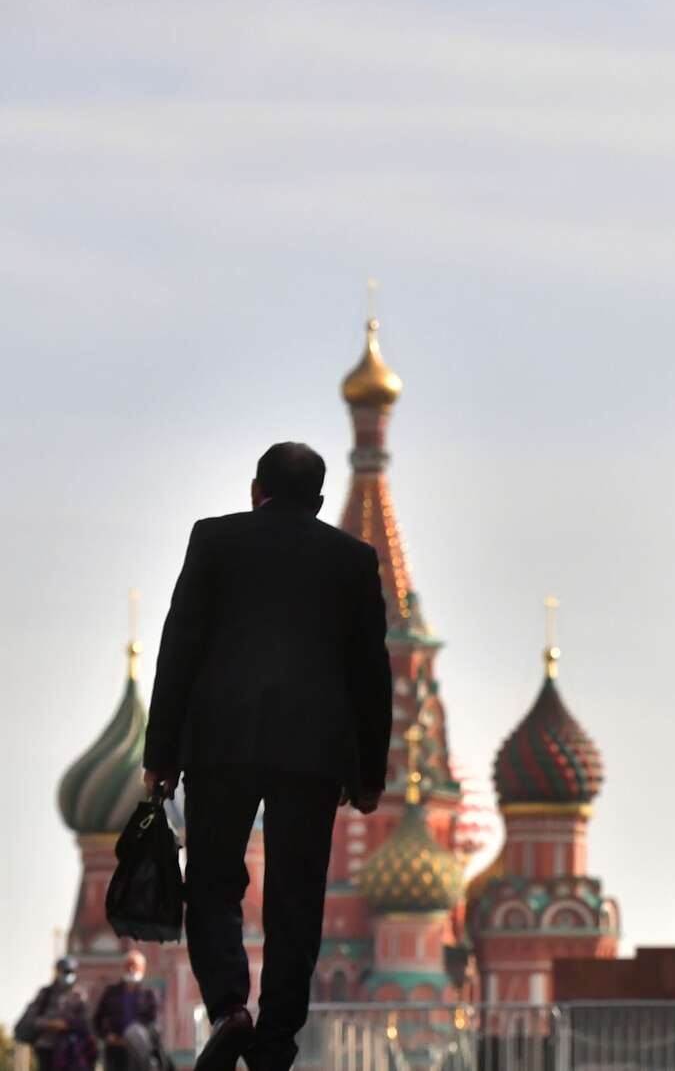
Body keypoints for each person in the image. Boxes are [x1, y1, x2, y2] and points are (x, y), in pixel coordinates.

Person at [142, 442, 394, 1071]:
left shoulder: (214, 541)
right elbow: (372, 673)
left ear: (256, 489)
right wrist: (369, 774)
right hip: (313, 756)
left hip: (220, 745)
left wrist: (161, 755)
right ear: (318, 501)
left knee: (213, 881)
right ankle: (276, 1041)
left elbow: (179, 648)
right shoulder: (352, 559)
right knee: (297, 896)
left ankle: (230, 1009)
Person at [11, 958, 96, 1071]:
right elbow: (32, 1018)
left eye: (70, 971)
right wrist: (49, 1023)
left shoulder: (79, 995)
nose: (67, 974)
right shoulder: (45, 993)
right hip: (46, 1046)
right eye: (64, 971)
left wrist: (67, 1025)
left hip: (69, 1048)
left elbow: (85, 1022)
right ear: (57, 971)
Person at [93, 950, 162, 1071]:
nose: (131, 970)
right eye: (128, 966)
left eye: (135, 966)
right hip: (115, 1051)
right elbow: (97, 1019)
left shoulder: (149, 994)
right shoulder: (111, 993)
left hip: (139, 1051)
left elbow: (153, 1022)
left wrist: (136, 1037)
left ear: (142, 969)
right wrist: (106, 1036)